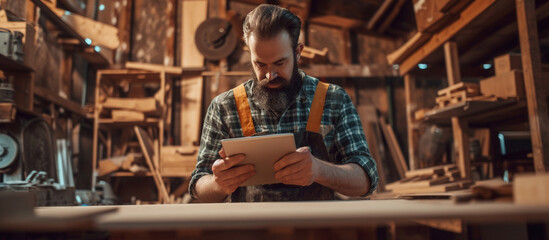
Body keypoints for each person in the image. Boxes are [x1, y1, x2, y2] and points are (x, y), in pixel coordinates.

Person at [189, 4, 378, 202]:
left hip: (317, 230)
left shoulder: (333, 100)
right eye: (260, 64)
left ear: (298, 52)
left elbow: (366, 180)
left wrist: (320, 170)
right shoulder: (224, 107)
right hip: (252, 232)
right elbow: (198, 185)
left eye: (280, 63)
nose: (270, 75)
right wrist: (218, 183)